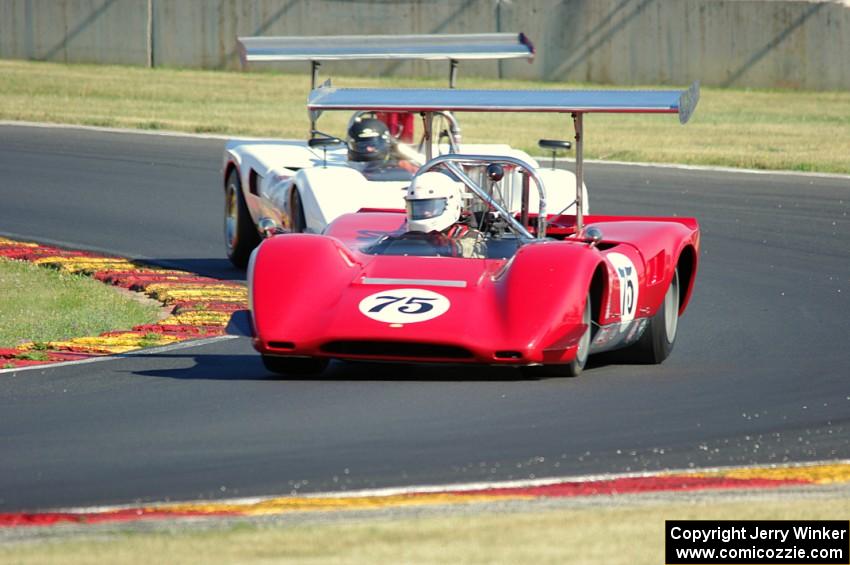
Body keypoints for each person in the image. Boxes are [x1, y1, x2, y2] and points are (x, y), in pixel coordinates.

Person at [404, 171, 487, 259]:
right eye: (420, 207)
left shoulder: (471, 236)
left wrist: (441, 243)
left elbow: (470, 251)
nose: (425, 212)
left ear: (451, 204)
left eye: (430, 207)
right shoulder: (408, 237)